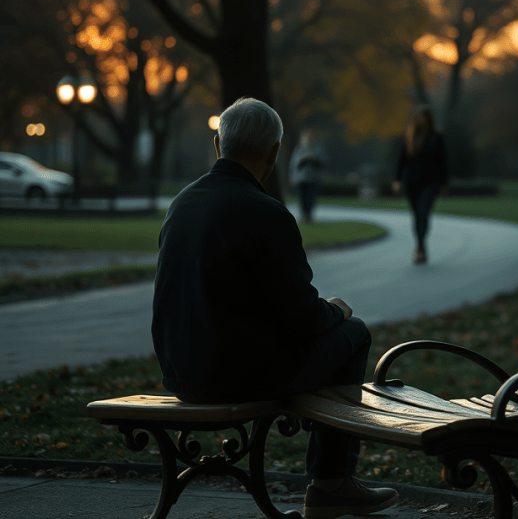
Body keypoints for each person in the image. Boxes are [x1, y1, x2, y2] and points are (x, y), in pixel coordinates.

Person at [152, 97, 398, 519]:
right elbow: (303, 318)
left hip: (180, 373)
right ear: (275, 152)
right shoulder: (266, 212)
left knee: (327, 338)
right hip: (241, 377)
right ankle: (330, 483)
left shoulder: (181, 205)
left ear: (217, 144)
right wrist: (336, 311)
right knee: (354, 335)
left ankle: (331, 482)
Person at [392, 105, 449, 264]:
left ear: (429, 119)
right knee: (417, 215)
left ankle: (421, 248)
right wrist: (397, 180)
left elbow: (443, 162)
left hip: (431, 182)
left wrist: (444, 183)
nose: (420, 121)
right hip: (412, 182)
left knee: (423, 213)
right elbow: (401, 161)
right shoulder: (409, 138)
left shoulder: (437, 138)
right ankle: (420, 246)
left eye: (423, 117)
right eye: (418, 118)